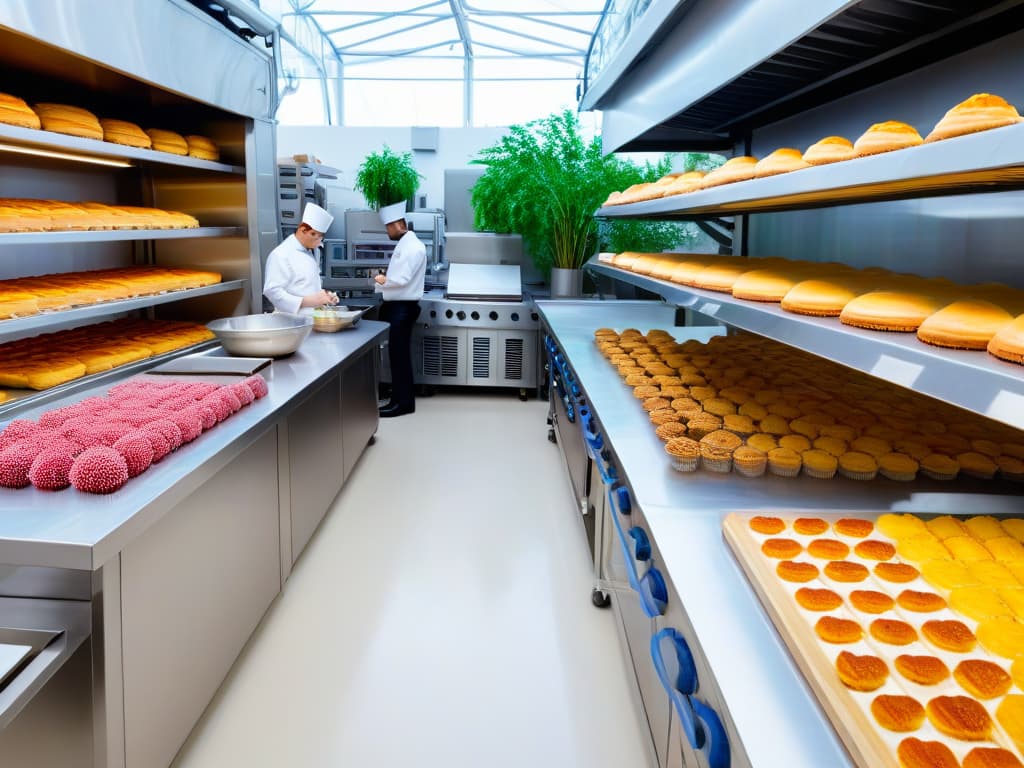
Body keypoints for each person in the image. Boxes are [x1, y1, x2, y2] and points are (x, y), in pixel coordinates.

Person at [375, 201, 426, 418]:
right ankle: (398, 398)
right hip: (396, 307)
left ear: (398, 224)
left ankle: (403, 403)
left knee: (400, 357)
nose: (387, 231)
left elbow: (402, 279)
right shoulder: (406, 244)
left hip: (402, 308)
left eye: (388, 226)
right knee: (397, 356)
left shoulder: (413, 247)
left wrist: (381, 279)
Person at [263, 202, 339, 314]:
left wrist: (325, 297)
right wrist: (304, 301)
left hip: (310, 320)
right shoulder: (281, 254)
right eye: (316, 236)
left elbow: (305, 286)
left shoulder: (307, 253)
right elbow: (272, 291)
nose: (319, 243)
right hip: (290, 322)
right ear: (303, 230)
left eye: (321, 238)